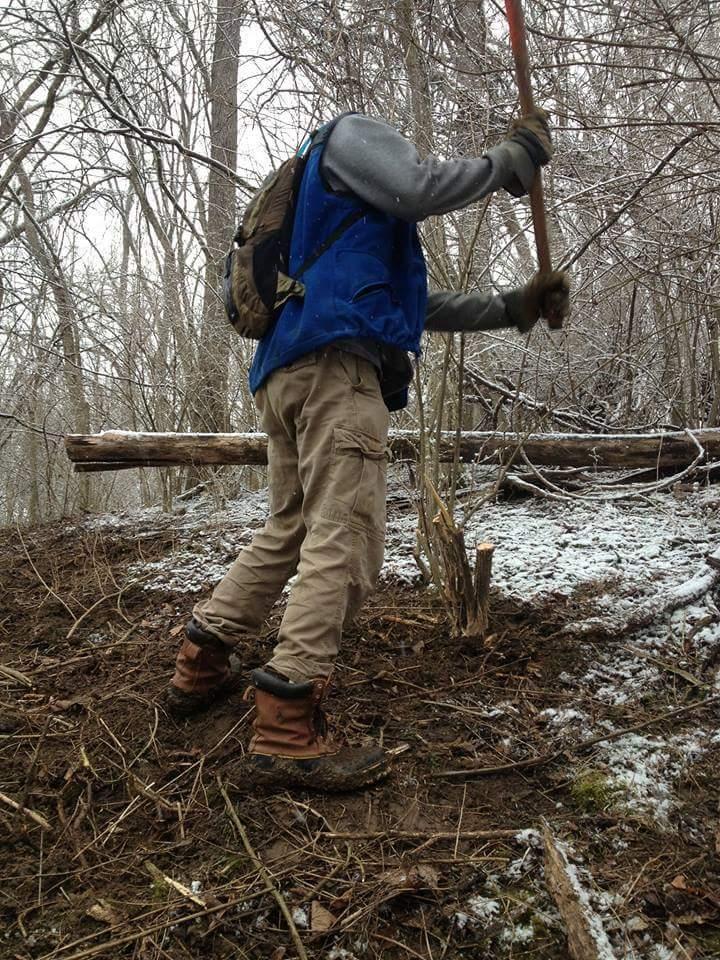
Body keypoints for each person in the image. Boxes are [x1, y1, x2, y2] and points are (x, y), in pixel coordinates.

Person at [166, 111, 570, 790]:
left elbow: (413, 305)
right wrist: (513, 158)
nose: (404, 156)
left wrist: (513, 306)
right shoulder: (353, 136)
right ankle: (287, 727)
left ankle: (200, 661)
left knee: (291, 525)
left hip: (289, 373)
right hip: (335, 375)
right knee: (343, 536)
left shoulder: (332, 219)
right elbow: (418, 187)